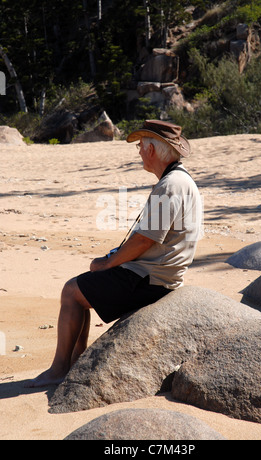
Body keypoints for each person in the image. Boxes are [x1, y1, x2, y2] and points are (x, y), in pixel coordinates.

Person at [25, 120, 202, 388]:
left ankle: (60, 370)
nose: (139, 151)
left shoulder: (171, 185)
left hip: (150, 279)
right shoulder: (180, 179)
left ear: (153, 151)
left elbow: (144, 240)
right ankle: (74, 363)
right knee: (80, 288)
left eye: (141, 146)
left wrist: (109, 263)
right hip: (160, 274)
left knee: (72, 292)